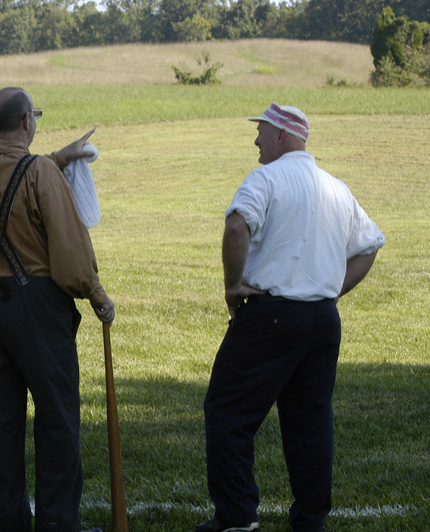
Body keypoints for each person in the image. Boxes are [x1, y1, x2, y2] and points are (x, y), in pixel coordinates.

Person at [196, 103, 385, 532]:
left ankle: (237, 518)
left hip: (270, 319)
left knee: (227, 413)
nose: (256, 140)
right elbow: (370, 245)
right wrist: (330, 291)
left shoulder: (266, 178)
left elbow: (236, 226)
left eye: (261, 131)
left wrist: (233, 285)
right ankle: (310, 522)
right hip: (321, 322)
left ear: (282, 135)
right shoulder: (336, 187)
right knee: (310, 421)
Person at [0, 87, 115, 532]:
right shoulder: (41, 172)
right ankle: (58, 525)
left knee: (1, 424)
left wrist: (56, 159)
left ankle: (11, 524)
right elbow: (69, 247)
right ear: (27, 121)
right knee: (58, 421)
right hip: (38, 308)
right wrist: (97, 295)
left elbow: (9, 174)